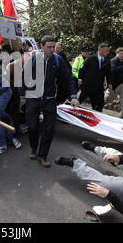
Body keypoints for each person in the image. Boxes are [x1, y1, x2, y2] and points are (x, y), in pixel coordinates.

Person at [21, 35, 79, 167]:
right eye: (49, 47)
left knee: (49, 128)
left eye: (53, 47)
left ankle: (43, 155)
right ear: (42, 47)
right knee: (32, 126)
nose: (52, 49)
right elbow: (23, 76)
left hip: (49, 99)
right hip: (33, 98)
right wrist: (22, 96)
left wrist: (73, 96)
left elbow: (68, 78)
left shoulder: (58, 60)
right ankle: (33, 148)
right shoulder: (33, 59)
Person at [78, 43, 113, 112]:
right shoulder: (91, 58)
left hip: (98, 86)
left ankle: (97, 117)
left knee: (99, 104)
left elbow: (109, 73)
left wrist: (110, 83)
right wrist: (80, 79)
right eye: (106, 50)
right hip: (87, 85)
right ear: (100, 50)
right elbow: (81, 69)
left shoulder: (107, 61)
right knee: (79, 100)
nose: (108, 52)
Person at [106, 47, 123, 120]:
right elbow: (113, 70)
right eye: (121, 54)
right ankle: (98, 107)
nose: (122, 55)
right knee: (108, 99)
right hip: (114, 84)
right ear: (117, 54)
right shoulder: (113, 61)